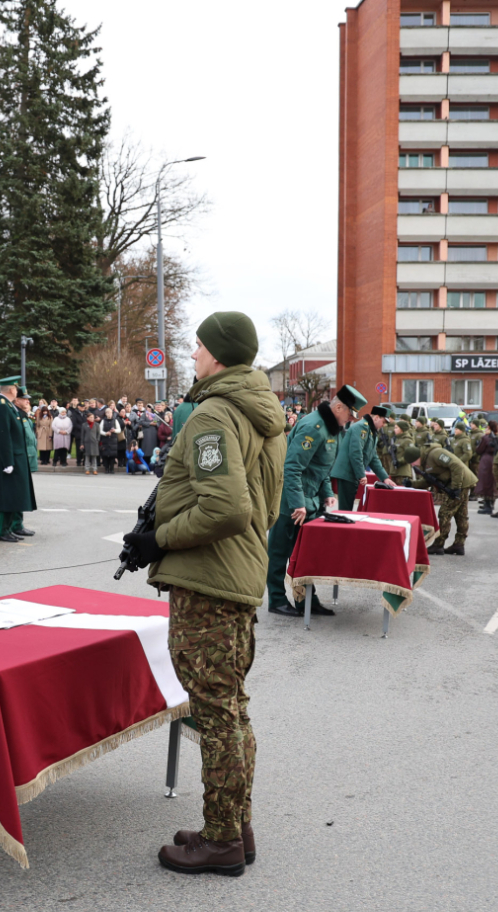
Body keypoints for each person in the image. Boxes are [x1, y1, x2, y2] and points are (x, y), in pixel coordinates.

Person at [118, 311, 284, 877]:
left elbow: (226, 507)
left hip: (209, 581)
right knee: (232, 711)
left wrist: (158, 538)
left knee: (214, 714)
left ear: (218, 353)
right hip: (237, 575)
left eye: (197, 348)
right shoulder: (260, 413)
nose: (192, 355)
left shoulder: (215, 414)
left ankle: (220, 841)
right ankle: (235, 825)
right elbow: (264, 505)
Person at [266, 383, 366, 617]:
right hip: (290, 502)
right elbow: (292, 468)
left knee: (305, 555)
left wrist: (328, 496)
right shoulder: (313, 427)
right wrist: (297, 503)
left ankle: (307, 601)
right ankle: (277, 600)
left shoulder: (331, 430)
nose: (350, 419)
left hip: (309, 501)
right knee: (280, 553)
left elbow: (320, 470)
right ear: (339, 407)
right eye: (350, 413)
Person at [406, 440, 478, 555]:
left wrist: (456, 488)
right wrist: (412, 484)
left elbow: (457, 466)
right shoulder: (425, 461)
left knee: (445, 513)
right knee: (461, 515)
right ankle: (459, 545)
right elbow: (428, 480)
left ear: (417, 457)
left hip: (461, 483)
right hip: (459, 484)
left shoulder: (436, 453)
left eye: (413, 462)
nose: (413, 466)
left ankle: (439, 544)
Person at [0, 378, 37, 542]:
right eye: (16, 388)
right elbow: (3, 436)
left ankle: (9, 528)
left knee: (12, 495)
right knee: (6, 496)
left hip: (15, 457)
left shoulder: (6, 405)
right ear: (11, 390)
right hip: (8, 459)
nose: (17, 391)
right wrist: (7, 461)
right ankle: (2, 530)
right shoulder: (1, 406)